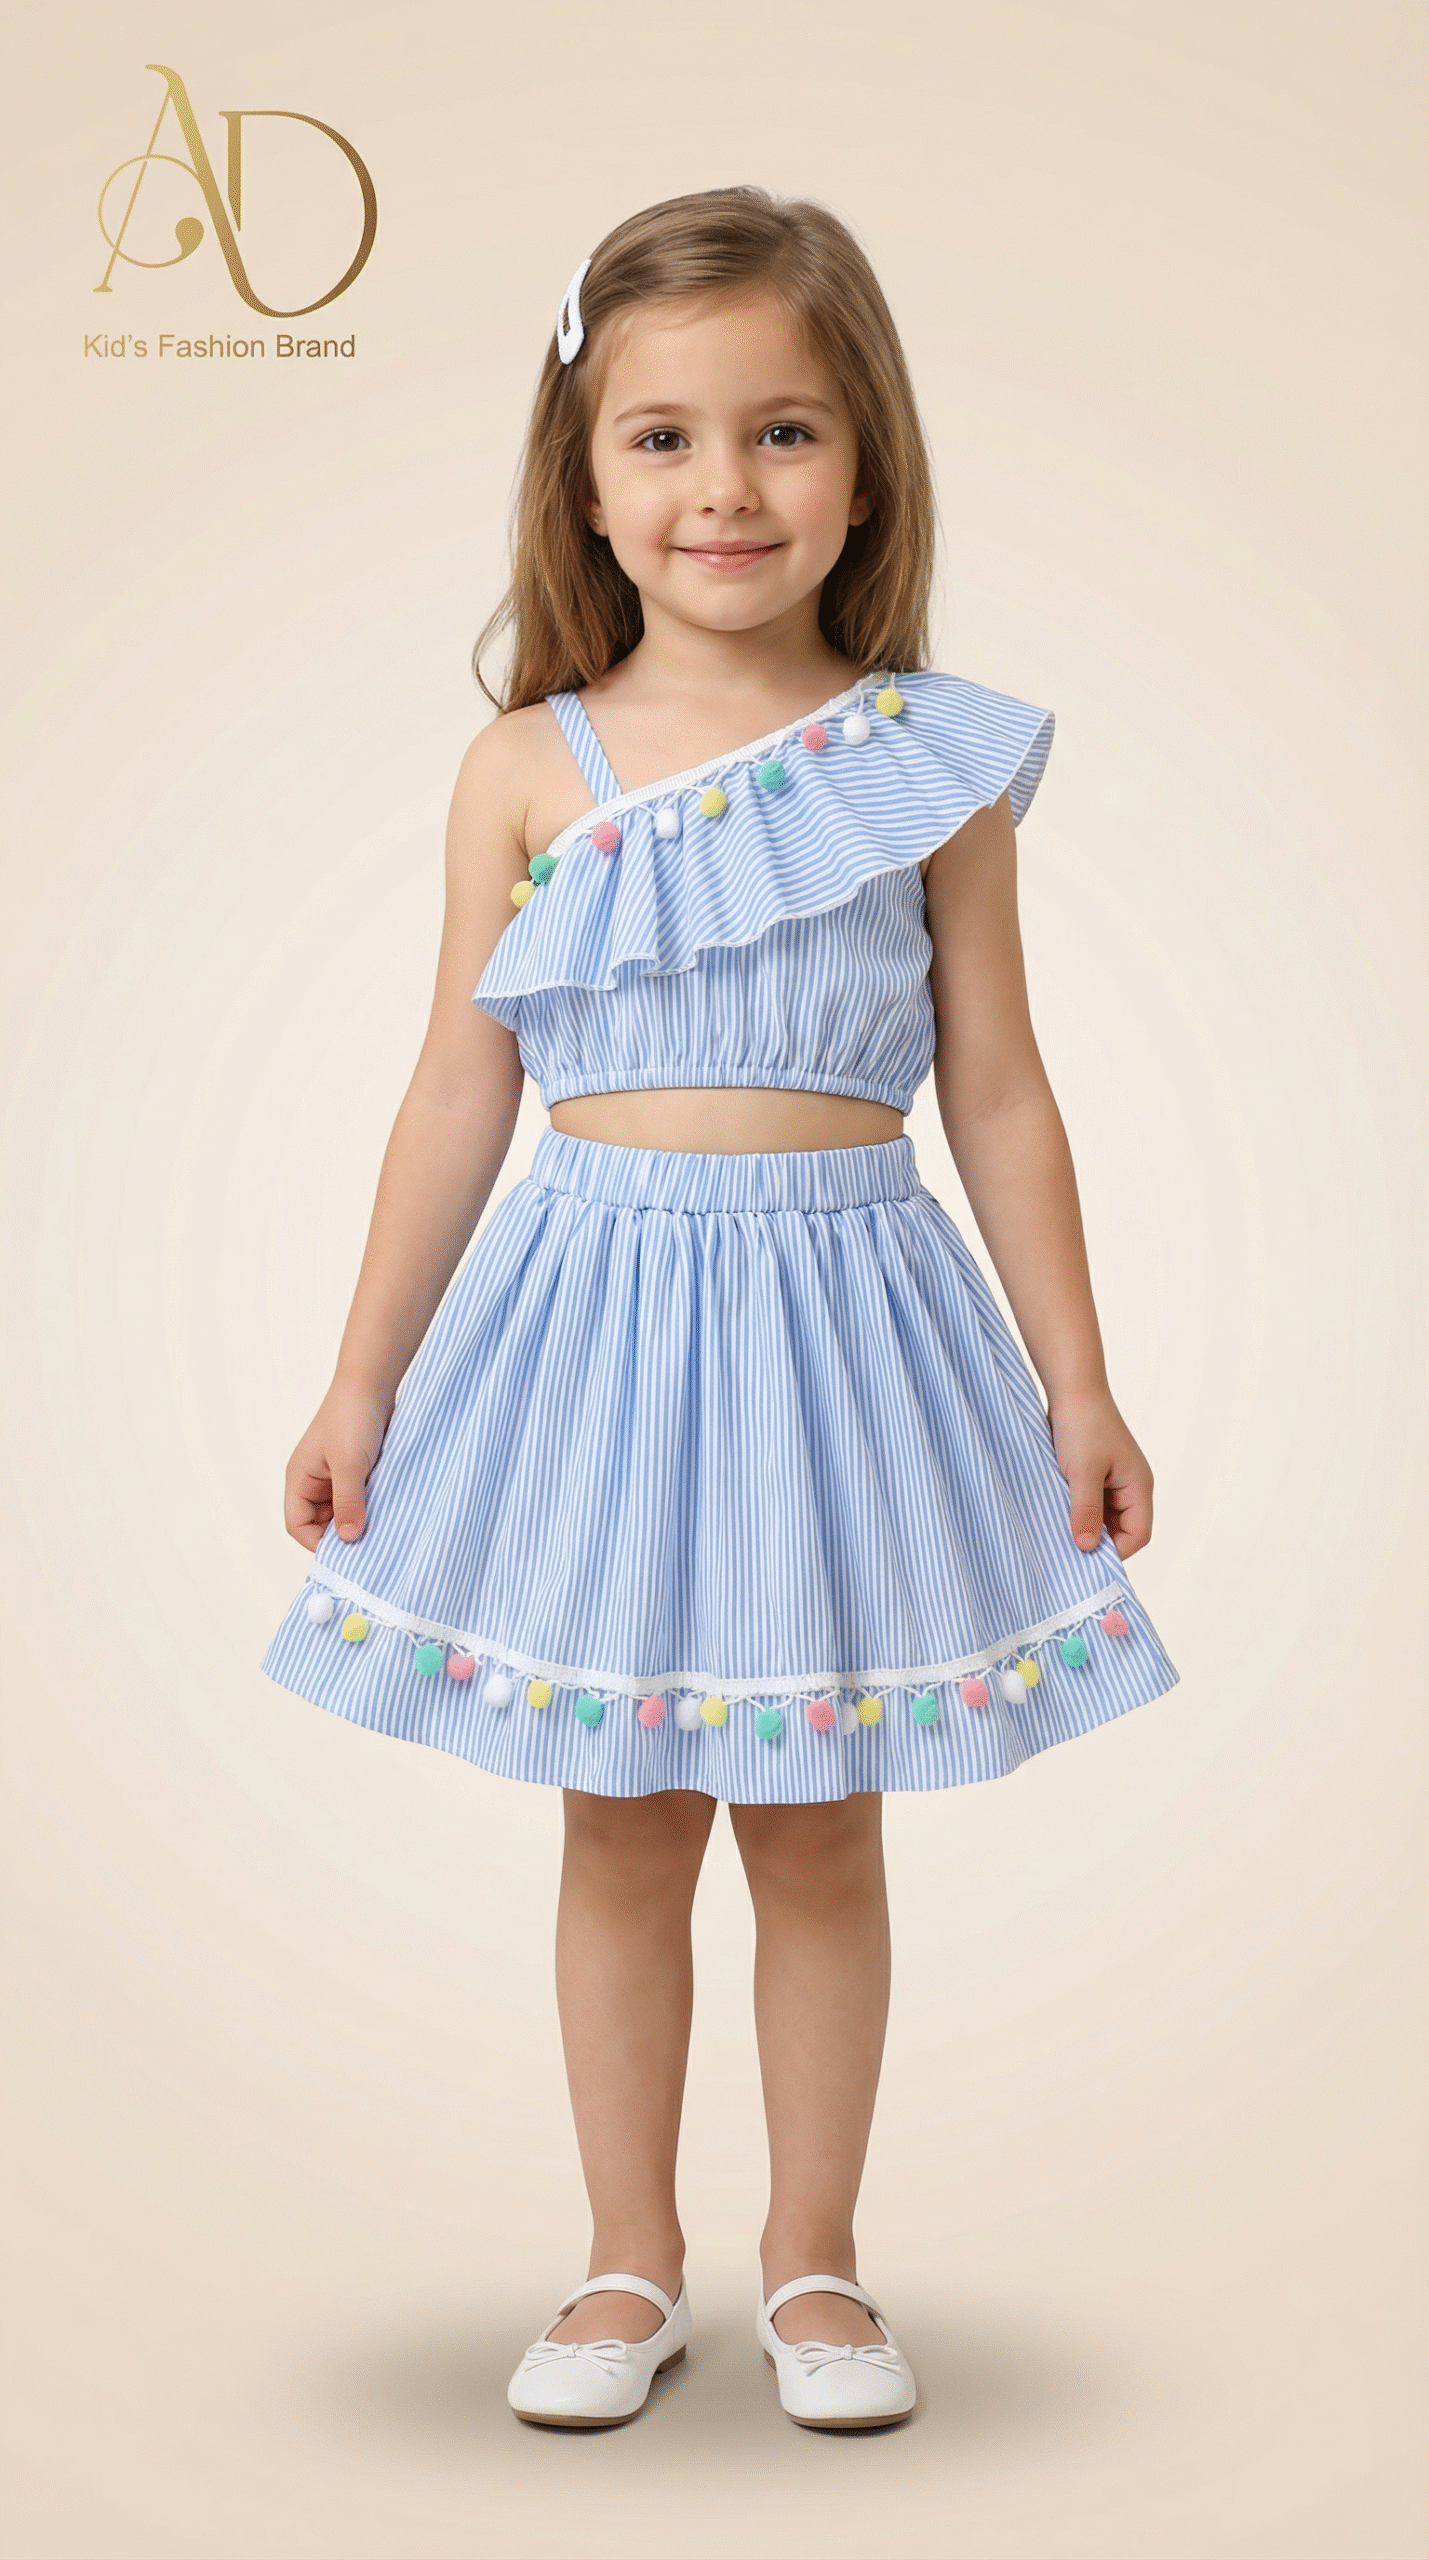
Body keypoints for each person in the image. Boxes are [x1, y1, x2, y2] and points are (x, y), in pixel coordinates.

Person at [263, 186, 1178, 2435]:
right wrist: (363, 1372)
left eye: (783, 431)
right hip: (594, 1332)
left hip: (846, 1329)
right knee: (622, 1811)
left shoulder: (925, 762)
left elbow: (1000, 1085)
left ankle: (817, 2262)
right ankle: (624, 2259)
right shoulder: (526, 766)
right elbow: (458, 1082)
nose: (725, 488)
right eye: (663, 438)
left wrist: (1078, 1375)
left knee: (822, 1816)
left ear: (865, 464)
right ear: (585, 478)